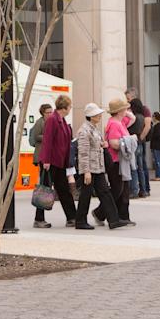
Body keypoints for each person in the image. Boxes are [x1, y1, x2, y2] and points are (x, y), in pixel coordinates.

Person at [74, 103, 127, 230]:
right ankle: (80, 221)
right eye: (97, 114)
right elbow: (83, 153)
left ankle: (113, 220)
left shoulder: (94, 129)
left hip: (98, 167)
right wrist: (86, 171)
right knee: (85, 195)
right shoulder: (84, 131)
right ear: (91, 116)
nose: (99, 116)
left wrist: (102, 144)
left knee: (105, 192)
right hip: (89, 169)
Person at [39, 95, 77, 228]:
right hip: (51, 161)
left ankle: (72, 217)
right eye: (70, 106)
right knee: (45, 190)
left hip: (59, 162)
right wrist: (46, 160)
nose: (70, 108)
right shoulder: (53, 120)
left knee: (64, 190)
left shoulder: (62, 120)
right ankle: (39, 219)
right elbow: (47, 140)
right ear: (65, 107)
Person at [94, 99, 133, 227]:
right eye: (124, 109)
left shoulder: (119, 122)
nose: (127, 111)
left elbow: (133, 118)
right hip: (115, 160)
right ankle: (100, 212)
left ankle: (121, 215)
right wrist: (129, 142)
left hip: (120, 160)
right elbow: (114, 143)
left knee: (123, 189)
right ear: (119, 111)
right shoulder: (115, 124)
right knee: (117, 189)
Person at [125, 89, 152, 197]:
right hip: (140, 141)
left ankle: (140, 189)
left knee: (136, 166)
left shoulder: (138, 114)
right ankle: (144, 190)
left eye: (128, 99)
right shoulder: (140, 114)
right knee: (141, 166)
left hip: (137, 141)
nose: (128, 101)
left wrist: (140, 138)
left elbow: (148, 126)